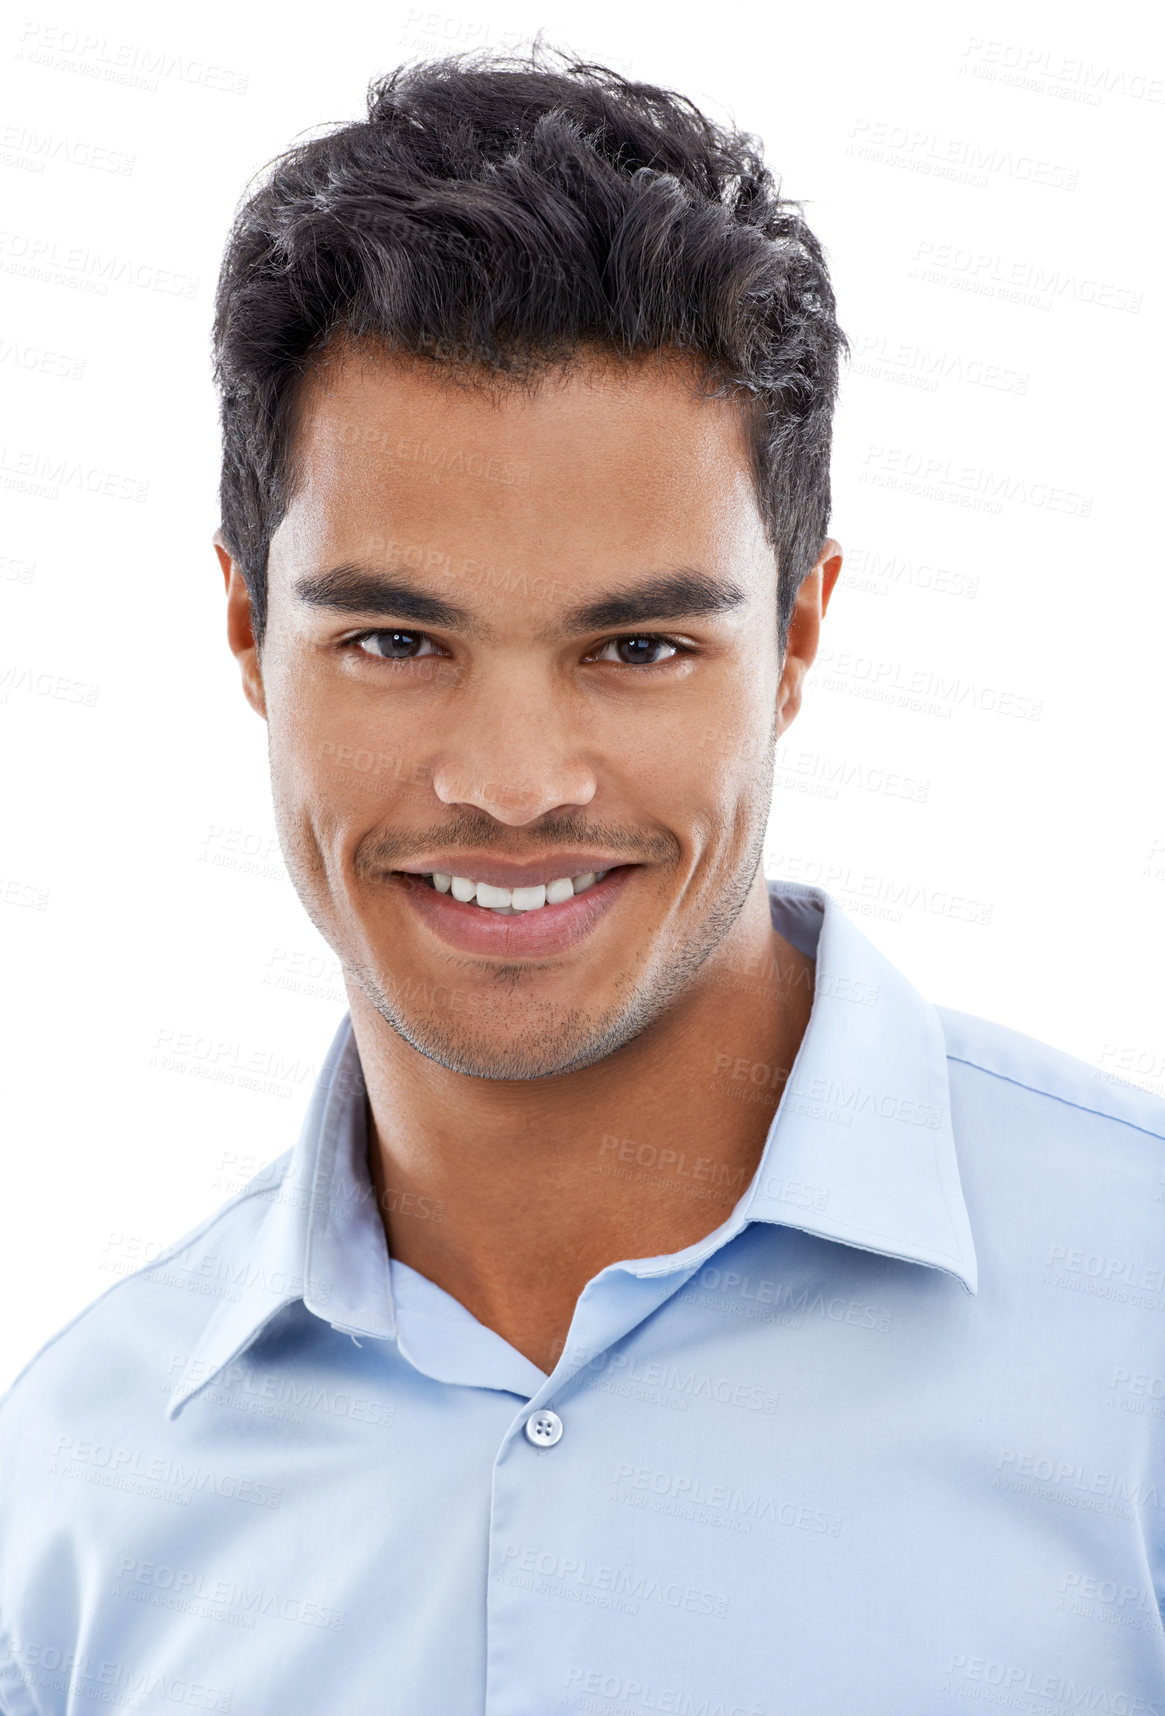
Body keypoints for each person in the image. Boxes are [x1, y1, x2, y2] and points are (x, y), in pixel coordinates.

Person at [2, 43, 1162, 1716]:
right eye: (397, 639)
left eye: (635, 645)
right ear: (250, 630)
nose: (514, 784)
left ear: (800, 639)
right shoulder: (78, 1490)